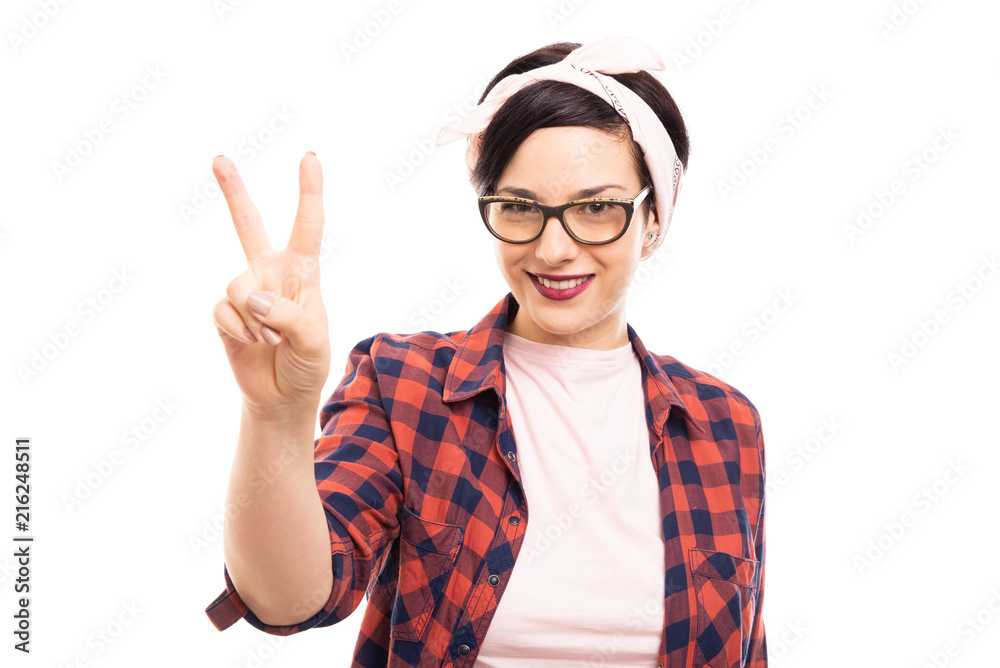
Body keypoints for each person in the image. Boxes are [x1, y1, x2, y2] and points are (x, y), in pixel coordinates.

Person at [204, 35, 767, 668]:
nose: (554, 248)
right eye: (521, 208)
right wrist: (276, 417)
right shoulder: (404, 385)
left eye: (598, 207)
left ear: (654, 218)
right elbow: (290, 599)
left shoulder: (725, 424)